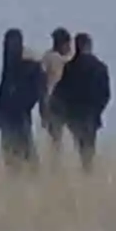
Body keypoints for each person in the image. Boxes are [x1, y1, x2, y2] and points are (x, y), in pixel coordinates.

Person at [51, 32, 111, 172]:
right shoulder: (99, 67)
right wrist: (98, 110)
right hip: (91, 114)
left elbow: (61, 91)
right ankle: (87, 170)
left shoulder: (70, 67)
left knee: (80, 144)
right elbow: (105, 94)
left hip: (74, 115)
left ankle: (86, 170)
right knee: (89, 146)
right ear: (89, 46)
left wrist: (59, 110)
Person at [0, 29, 45, 174]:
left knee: (20, 150)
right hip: (15, 114)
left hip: (17, 114)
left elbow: (6, 87)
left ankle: (26, 178)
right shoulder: (18, 62)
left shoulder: (25, 63)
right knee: (16, 151)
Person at [39, 27, 75, 161]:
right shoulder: (55, 59)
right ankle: (57, 162)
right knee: (57, 138)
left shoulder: (47, 58)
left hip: (54, 102)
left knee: (56, 138)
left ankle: (57, 162)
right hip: (56, 102)